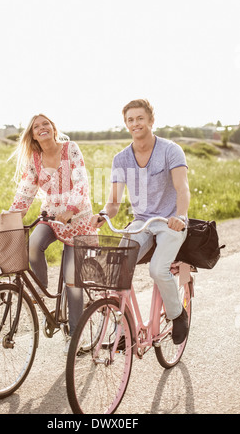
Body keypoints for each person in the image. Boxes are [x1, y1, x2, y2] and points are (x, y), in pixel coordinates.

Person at [91, 99, 191, 344]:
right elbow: (114, 201)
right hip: (141, 222)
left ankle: (178, 315)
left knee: (158, 269)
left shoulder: (170, 150)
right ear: (126, 124)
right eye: (130, 120)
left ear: (150, 120)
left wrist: (180, 216)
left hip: (169, 221)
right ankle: (125, 328)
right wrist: (104, 214)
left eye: (140, 118)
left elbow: (182, 188)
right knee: (117, 268)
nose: (135, 123)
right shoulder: (121, 159)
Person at [9, 113, 96, 352]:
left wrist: (70, 209)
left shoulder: (71, 149)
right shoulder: (35, 159)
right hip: (51, 217)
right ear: (33, 135)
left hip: (78, 220)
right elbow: (26, 190)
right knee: (33, 245)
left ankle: (75, 337)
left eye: (45, 123)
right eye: (36, 127)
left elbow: (81, 181)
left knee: (72, 280)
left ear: (53, 128)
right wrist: (11, 216)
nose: (41, 128)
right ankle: (42, 289)